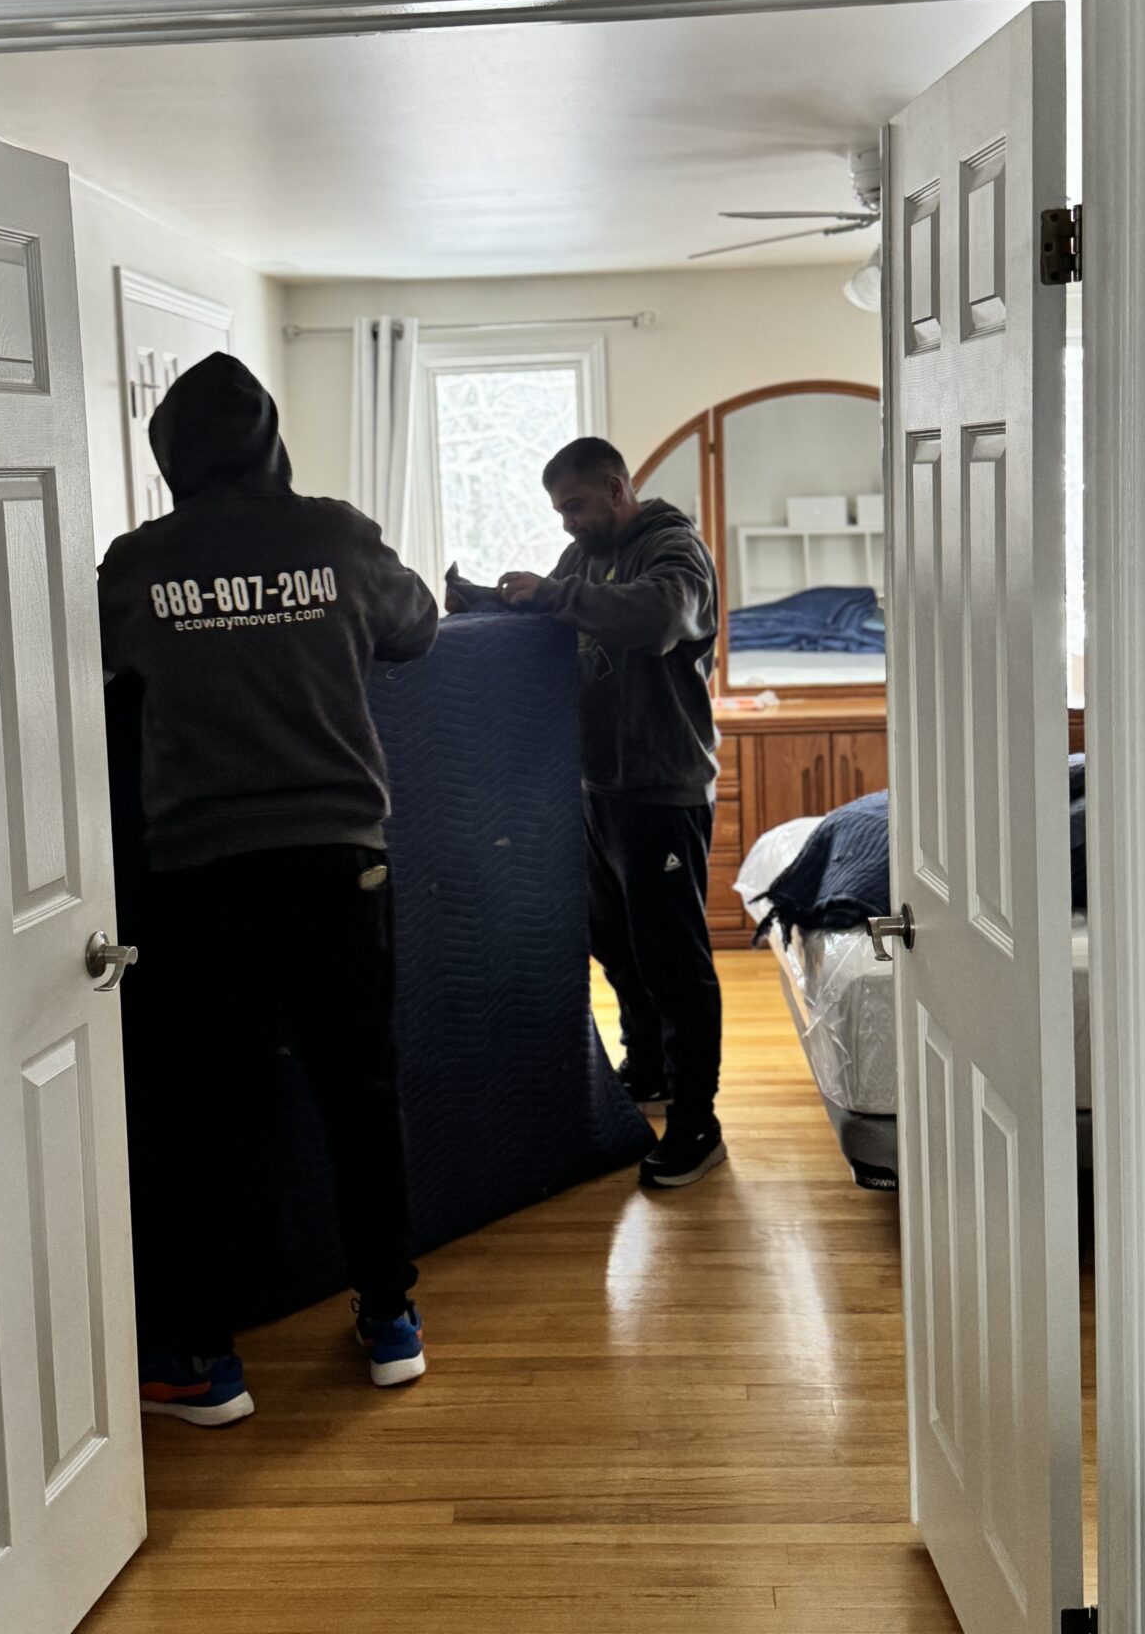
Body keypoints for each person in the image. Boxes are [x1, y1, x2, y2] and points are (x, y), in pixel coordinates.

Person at [99, 353, 438, 1423]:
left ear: (171, 453)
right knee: (359, 1094)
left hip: (203, 872)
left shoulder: (138, 563)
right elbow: (418, 626)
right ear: (270, 442)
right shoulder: (337, 536)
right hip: (340, 857)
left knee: (208, 1113)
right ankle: (390, 1320)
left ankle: (205, 1361)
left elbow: (85, 665)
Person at [490, 436, 726, 1189]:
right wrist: (490, 605)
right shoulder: (584, 557)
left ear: (617, 489)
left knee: (674, 961)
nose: (565, 522)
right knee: (618, 947)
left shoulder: (675, 550)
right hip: (598, 788)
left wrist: (551, 595)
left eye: (575, 505)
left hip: (662, 789)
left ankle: (697, 1122)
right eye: (558, 510)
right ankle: (647, 1069)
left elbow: (660, 616)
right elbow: (550, 619)